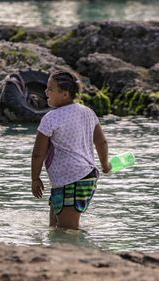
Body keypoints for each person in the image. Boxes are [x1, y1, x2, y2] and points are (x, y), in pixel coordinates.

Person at [31, 70, 111, 230]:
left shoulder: (51, 118)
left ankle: (79, 254)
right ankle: (55, 253)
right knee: (54, 227)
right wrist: (105, 164)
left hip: (72, 179)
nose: (46, 92)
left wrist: (35, 178)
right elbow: (101, 142)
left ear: (65, 94)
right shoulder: (88, 112)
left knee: (68, 229)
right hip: (82, 176)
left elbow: (38, 153)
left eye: (50, 89)